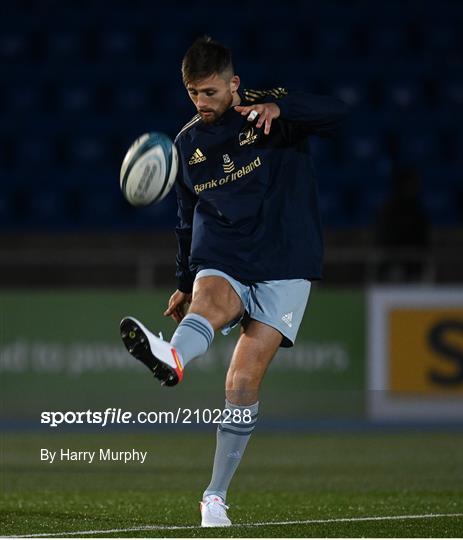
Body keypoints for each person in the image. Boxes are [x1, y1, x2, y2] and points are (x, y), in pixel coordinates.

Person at [120, 36, 347, 527]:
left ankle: (214, 496)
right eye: (192, 93)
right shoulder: (186, 143)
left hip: (286, 256)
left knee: (242, 382)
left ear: (233, 83)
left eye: (209, 92)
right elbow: (185, 216)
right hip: (224, 251)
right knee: (208, 299)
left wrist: (281, 108)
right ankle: (172, 356)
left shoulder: (270, 113)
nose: (201, 103)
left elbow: (339, 111)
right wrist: (184, 278)